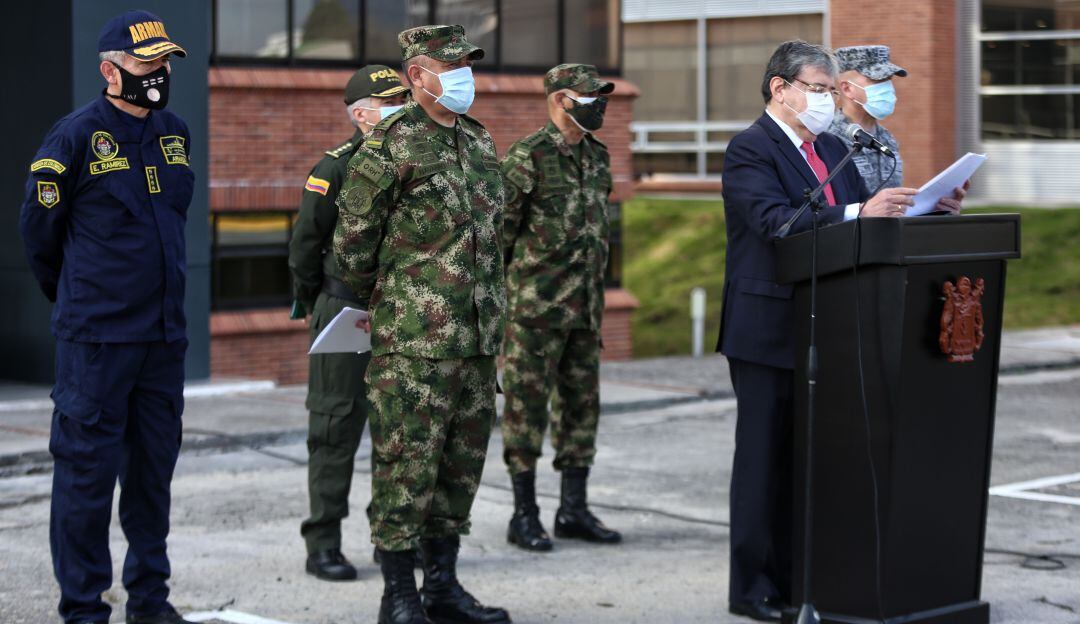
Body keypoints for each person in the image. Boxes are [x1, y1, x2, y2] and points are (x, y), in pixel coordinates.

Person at [717, 40, 920, 622]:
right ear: (781, 88)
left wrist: (922, 211)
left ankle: (804, 575)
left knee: (813, 460)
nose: (828, 102)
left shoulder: (831, 147)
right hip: (767, 327)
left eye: (833, 91)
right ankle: (752, 587)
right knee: (764, 461)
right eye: (818, 89)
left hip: (831, 323)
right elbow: (775, 223)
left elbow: (866, 216)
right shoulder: (749, 149)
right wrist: (861, 213)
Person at [19, 10, 195, 624]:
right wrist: (78, 302)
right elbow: (40, 237)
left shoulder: (174, 132)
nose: (159, 75)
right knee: (86, 482)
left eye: (164, 63)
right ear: (109, 71)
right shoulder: (72, 137)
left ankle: (150, 600)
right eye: (146, 65)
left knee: (152, 479)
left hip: (162, 340)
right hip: (97, 342)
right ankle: (84, 609)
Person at [334, 24, 511, 624]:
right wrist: (402, 304)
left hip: (478, 342)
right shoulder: (387, 146)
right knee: (406, 468)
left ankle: (442, 586)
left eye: (468, 63)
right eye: (452, 64)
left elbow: (495, 236)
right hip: (415, 347)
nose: (465, 75)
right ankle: (398, 596)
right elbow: (354, 249)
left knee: (459, 470)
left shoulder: (480, 142)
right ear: (416, 74)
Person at [289, 65, 407, 582]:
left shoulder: (416, 162)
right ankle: (323, 543)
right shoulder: (334, 168)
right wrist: (318, 302)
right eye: (390, 102)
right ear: (361, 115)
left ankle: (393, 541)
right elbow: (304, 247)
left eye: (405, 98)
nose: (402, 109)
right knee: (335, 427)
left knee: (398, 432)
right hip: (345, 310)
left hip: (403, 314)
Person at [499, 63, 621, 552]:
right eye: (589, 96)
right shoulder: (526, 157)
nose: (600, 104)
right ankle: (523, 513)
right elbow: (501, 237)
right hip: (534, 311)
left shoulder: (598, 156)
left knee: (582, 408)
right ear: (560, 100)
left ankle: (573, 509)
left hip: (585, 308)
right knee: (525, 410)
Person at [829, 45, 967, 212]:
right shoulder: (826, 138)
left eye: (888, 80)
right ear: (847, 88)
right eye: (877, 80)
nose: (886, 88)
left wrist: (937, 210)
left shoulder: (887, 139)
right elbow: (829, 210)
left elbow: (895, 208)